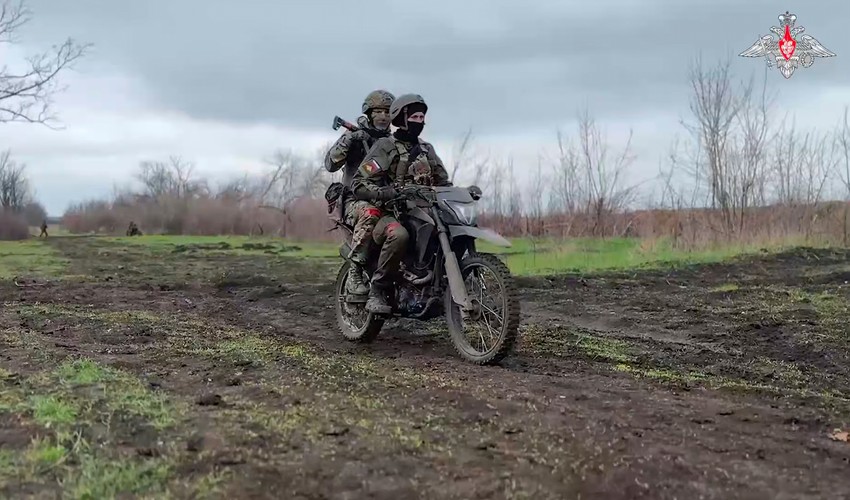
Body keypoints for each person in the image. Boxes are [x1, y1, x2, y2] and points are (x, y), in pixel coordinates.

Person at [351, 93, 452, 313]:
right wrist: (384, 192)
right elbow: (359, 183)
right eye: (414, 116)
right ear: (402, 118)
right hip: (392, 213)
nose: (419, 121)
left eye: (422, 117)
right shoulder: (385, 147)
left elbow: (444, 182)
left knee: (449, 229)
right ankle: (377, 290)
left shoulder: (427, 149)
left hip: (424, 211)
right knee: (399, 235)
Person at [324, 89, 395, 299]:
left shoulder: (393, 142)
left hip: (387, 200)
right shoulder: (355, 137)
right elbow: (330, 164)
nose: (383, 116)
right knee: (370, 213)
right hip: (356, 201)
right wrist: (349, 139)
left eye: (387, 112)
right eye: (378, 111)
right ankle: (355, 273)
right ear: (369, 113)